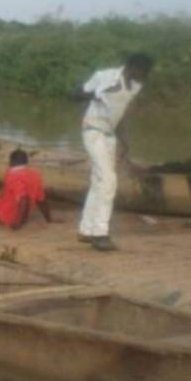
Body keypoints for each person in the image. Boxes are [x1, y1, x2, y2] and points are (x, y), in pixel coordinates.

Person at [74, 54, 154, 251]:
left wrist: (124, 143)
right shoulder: (104, 76)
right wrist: (95, 93)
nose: (144, 77)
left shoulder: (135, 86)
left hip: (109, 135)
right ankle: (100, 233)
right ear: (132, 67)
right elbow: (76, 95)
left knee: (98, 182)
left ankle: (87, 229)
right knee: (109, 180)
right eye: (142, 72)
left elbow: (120, 113)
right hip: (93, 130)